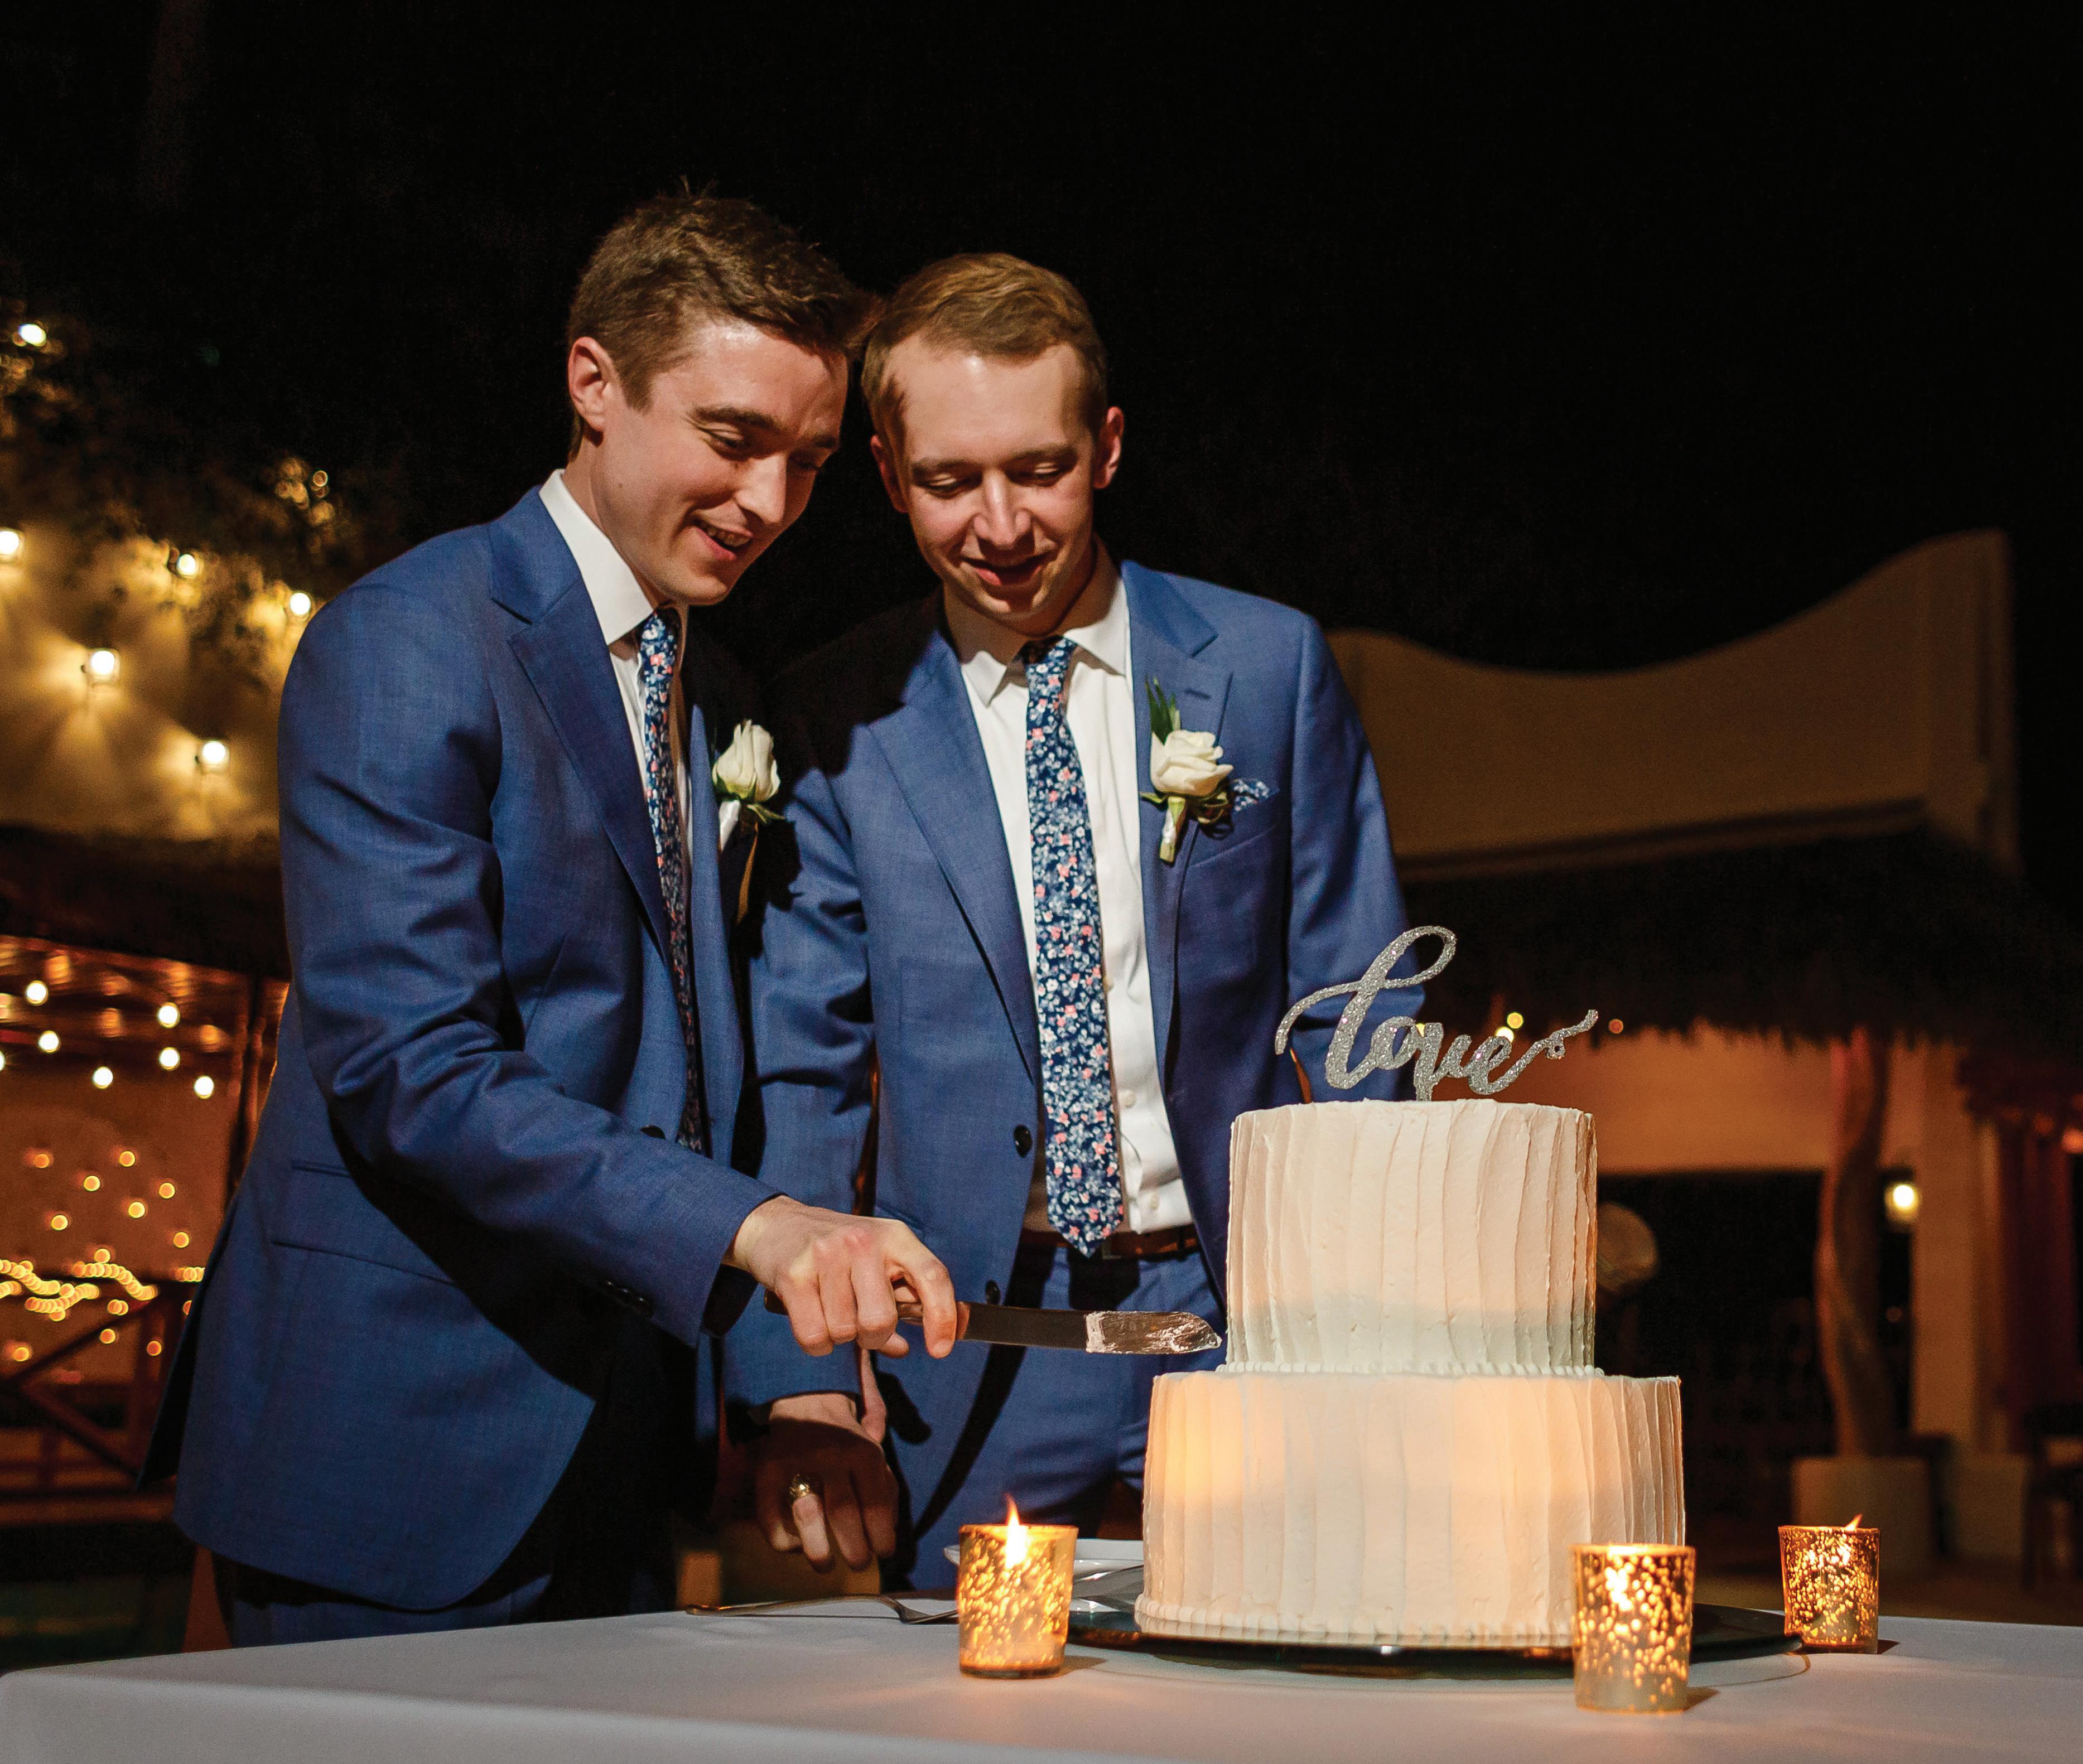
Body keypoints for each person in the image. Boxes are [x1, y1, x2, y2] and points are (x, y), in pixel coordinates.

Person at [146, 194, 958, 1643]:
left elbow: (740, 1070)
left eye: (808, 460)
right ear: (594, 382)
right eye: (732, 438)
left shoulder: (722, 697)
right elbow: (410, 1071)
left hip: (619, 1452)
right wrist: (751, 1226)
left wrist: (789, 1378)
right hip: (389, 1445)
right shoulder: (412, 637)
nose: (770, 502)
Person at [727, 254, 1418, 1583]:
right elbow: (801, 1065)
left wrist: (1374, 1321)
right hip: (966, 1343)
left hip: (1240, 1323)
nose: (999, 526)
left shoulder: (1266, 667)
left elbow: (1359, 1017)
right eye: (949, 481)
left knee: (1279, 1664)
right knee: (956, 1689)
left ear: (1105, 445)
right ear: (887, 473)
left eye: (1037, 470)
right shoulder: (835, 714)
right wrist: (795, 1379)